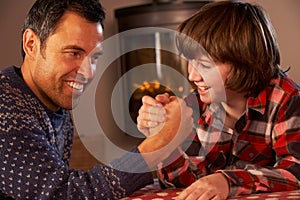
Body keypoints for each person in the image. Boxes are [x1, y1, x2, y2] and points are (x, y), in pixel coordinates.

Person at [0, 0, 194, 199]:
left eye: (94, 58)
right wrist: (160, 143)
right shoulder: (5, 110)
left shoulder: (54, 106)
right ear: (31, 44)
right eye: (73, 53)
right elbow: (65, 194)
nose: (88, 72)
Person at [137, 1, 300, 199]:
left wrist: (227, 181)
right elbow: (186, 182)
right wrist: (165, 140)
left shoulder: (287, 100)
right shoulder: (194, 106)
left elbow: (294, 172)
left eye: (205, 65)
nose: (192, 76)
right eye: (190, 61)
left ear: (245, 63)